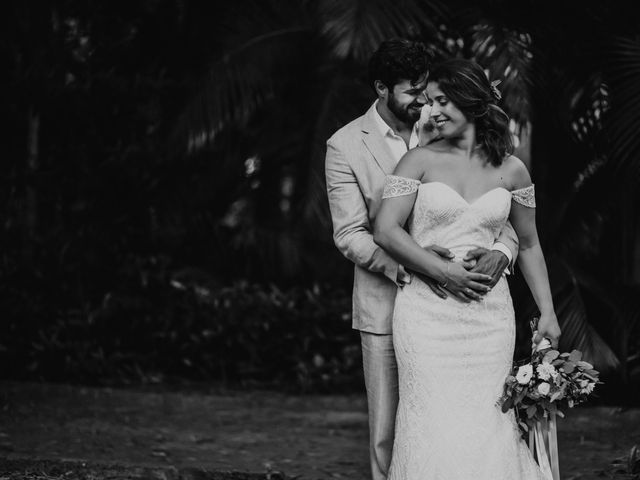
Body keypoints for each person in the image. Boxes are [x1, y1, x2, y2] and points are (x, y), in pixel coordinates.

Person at [325, 39, 519, 480]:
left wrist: (502, 252)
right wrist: (415, 264)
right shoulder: (345, 146)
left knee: (468, 420)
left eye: (427, 90)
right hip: (389, 300)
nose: (424, 103)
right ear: (381, 88)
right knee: (392, 431)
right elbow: (351, 233)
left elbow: (498, 207)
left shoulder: (450, 128)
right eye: (413, 92)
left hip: (470, 306)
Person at [373, 57, 562, 479]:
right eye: (429, 101)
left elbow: (528, 242)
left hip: (488, 317)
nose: (432, 111)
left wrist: (547, 312)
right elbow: (386, 231)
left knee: (487, 417)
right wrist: (444, 273)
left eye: (443, 101)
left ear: (473, 103)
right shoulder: (417, 161)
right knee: (431, 417)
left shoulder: (513, 170)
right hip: (426, 313)